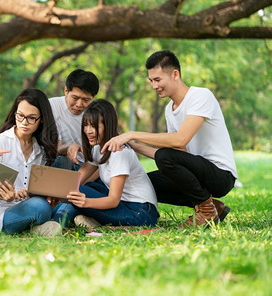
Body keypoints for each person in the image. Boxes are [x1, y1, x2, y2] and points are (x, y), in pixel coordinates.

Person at [102, 50, 237, 228]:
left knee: (164, 156)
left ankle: (205, 210)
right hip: (198, 170)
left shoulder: (200, 96)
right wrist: (134, 146)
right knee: (147, 184)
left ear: (175, 74)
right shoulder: (169, 110)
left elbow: (179, 140)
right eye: (151, 81)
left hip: (220, 176)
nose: (153, 86)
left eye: (157, 80)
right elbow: (179, 154)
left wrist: (132, 133)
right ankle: (213, 206)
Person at [0, 88, 62, 237]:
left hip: (28, 207)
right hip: (0, 215)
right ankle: (41, 226)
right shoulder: (0, 142)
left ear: (42, 119)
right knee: (40, 206)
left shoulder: (40, 150)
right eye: (20, 116)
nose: (24, 122)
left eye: (31, 118)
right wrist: (10, 195)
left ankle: (36, 227)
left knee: (64, 205)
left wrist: (49, 196)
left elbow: (36, 189)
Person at [66, 99, 159, 231]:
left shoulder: (119, 153)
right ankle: (70, 218)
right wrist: (55, 191)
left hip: (141, 213)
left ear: (108, 125)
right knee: (75, 187)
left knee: (75, 192)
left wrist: (85, 202)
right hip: (125, 204)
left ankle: (64, 220)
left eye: (94, 126)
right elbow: (77, 179)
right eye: (85, 125)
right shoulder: (98, 148)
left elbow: (113, 200)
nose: (88, 131)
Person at [48, 69, 101, 227]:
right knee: (60, 160)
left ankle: (57, 221)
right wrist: (68, 147)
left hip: (90, 173)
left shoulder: (98, 114)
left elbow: (103, 157)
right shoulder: (51, 107)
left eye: (86, 100)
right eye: (75, 98)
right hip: (62, 167)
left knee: (78, 195)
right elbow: (50, 147)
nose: (79, 105)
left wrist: (83, 182)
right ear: (66, 90)